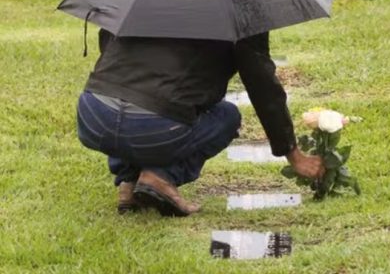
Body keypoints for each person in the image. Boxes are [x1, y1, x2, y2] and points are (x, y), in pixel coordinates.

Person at [76, 29, 323, 217]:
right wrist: (292, 153)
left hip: (94, 115)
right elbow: (261, 84)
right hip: (155, 127)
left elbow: (108, 44)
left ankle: (128, 182)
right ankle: (159, 176)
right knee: (226, 117)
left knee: (136, 102)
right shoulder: (240, 6)